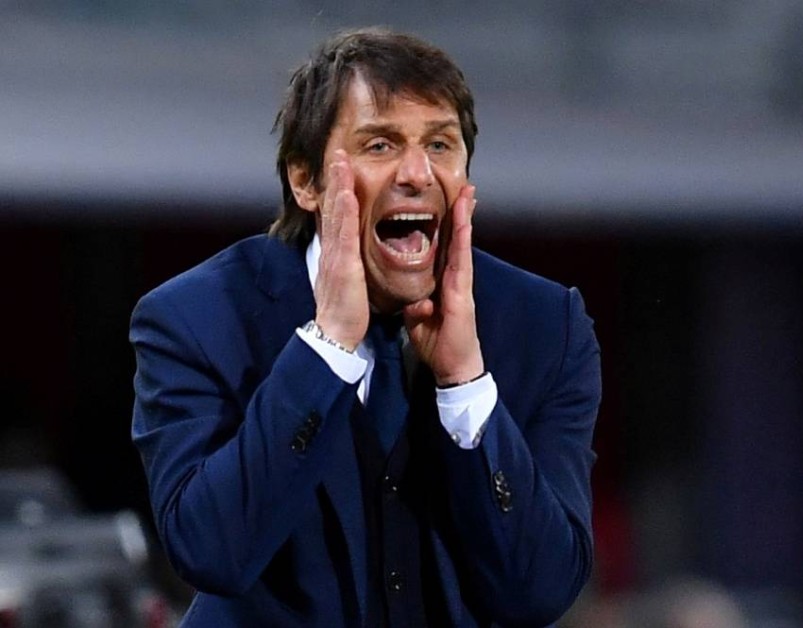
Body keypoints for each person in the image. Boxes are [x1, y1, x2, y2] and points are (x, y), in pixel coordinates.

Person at [130, 26, 601, 627]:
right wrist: (326, 347)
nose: (417, 173)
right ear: (306, 181)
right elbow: (210, 553)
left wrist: (466, 385)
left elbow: (540, 593)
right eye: (380, 145)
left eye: (440, 145)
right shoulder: (195, 319)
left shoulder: (545, 327)